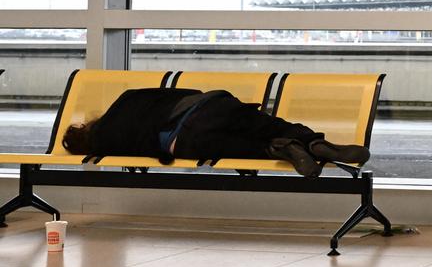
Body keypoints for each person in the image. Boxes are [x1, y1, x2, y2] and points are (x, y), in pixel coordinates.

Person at [60, 87, 369, 178]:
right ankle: (315, 143)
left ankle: (279, 150)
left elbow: (140, 146)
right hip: (213, 104)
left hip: (186, 137)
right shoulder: (126, 97)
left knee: (236, 145)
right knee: (266, 123)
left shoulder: (107, 138)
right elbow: (184, 92)